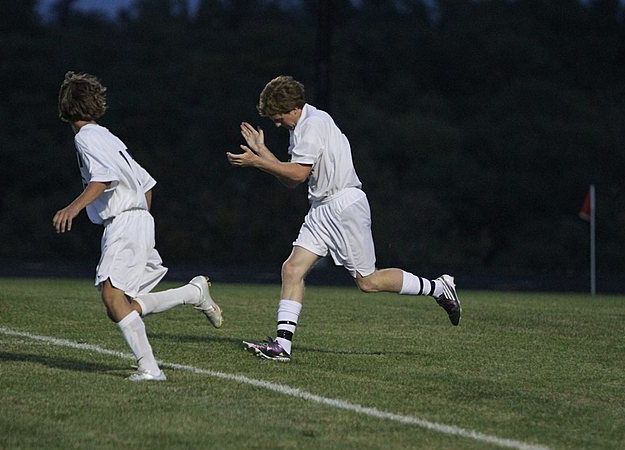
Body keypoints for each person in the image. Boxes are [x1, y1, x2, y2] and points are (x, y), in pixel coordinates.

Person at [226, 75, 460, 362]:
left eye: (278, 118)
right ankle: (282, 347)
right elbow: (291, 178)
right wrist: (263, 153)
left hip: (343, 206)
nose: (277, 124)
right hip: (322, 208)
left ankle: (439, 287)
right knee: (292, 269)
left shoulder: (312, 126)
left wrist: (258, 161)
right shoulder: (303, 125)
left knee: (368, 282)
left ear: (293, 109)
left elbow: (297, 175)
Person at [53, 71, 223, 381]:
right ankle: (193, 293)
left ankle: (150, 369)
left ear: (65, 108)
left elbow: (103, 179)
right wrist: (140, 218)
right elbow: (145, 183)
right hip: (139, 218)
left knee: (112, 297)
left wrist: (73, 207)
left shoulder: (86, 137)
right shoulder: (107, 135)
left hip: (126, 221)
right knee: (121, 303)